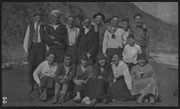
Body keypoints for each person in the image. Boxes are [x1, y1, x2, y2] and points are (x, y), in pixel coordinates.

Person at [23, 10, 46, 93]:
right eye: (37, 17)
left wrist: (46, 50)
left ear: (42, 18)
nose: (38, 19)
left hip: (40, 48)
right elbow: (27, 38)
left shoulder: (44, 27)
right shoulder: (30, 26)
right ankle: (31, 85)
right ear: (34, 17)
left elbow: (45, 40)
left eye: (40, 17)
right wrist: (26, 50)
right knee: (30, 68)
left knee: (39, 67)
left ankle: (38, 84)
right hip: (32, 47)